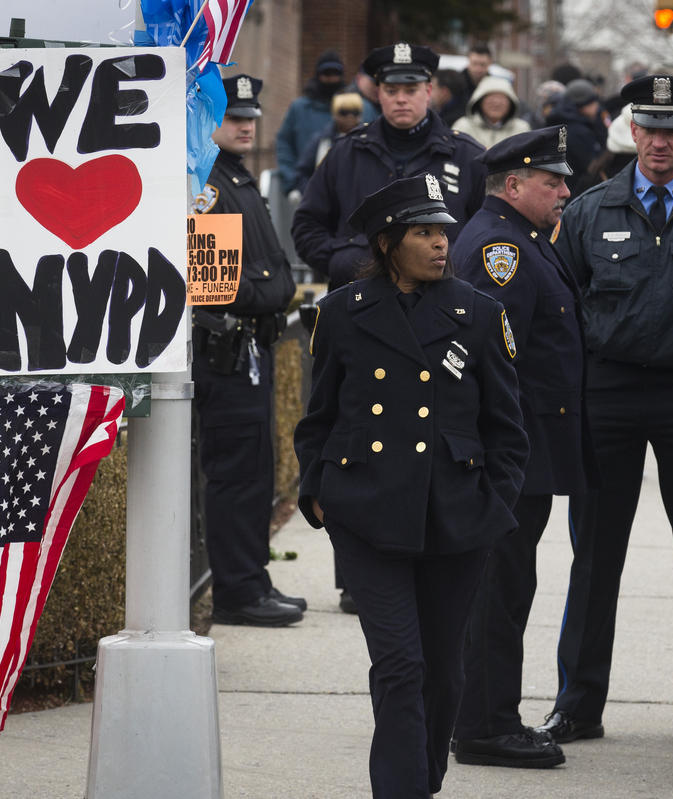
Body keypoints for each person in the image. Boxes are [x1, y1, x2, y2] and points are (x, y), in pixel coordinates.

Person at [293, 174, 529, 797]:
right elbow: (318, 417)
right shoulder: (342, 312)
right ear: (388, 242)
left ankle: (421, 782)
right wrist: (318, 491)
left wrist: (494, 502)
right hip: (368, 515)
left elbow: (507, 429)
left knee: (443, 673)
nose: (440, 245)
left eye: (443, 233)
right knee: (399, 665)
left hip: (456, 517)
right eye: (423, 233)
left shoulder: (478, 313)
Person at [540, 74, 673, 749]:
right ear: (630, 131)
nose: (659, 142)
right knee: (594, 556)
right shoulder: (588, 211)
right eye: (648, 128)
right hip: (606, 395)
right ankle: (577, 703)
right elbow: (560, 309)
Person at [450, 127, 592, 769]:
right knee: (497, 588)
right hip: (507, 452)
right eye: (552, 181)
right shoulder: (499, 247)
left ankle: (487, 714)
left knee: (507, 583)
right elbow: (492, 361)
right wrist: (503, 453)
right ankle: (485, 725)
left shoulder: (526, 238)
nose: (565, 190)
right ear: (514, 186)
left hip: (523, 450)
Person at [192, 75, 303, 627]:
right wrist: (270, 294)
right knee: (237, 476)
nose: (244, 124)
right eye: (232, 115)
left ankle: (251, 579)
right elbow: (212, 282)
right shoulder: (206, 181)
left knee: (254, 473)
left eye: (250, 116)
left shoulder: (236, 177)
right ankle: (238, 591)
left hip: (249, 348)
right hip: (226, 348)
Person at [292, 42, 487, 290]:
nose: (401, 99)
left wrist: (453, 268)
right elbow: (307, 224)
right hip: (358, 300)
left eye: (411, 90)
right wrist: (343, 260)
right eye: (392, 91)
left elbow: (488, 230)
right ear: (378, 94)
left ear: (428, 91)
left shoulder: (466, 156)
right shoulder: (346, 153)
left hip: (442, 302)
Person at [275, 51, 349, 195]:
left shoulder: (352, 110)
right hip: (306, 190)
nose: (331, 79)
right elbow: (284, 144)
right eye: (327, 74)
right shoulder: (300, 108)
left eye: (335, 74)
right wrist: (292, 183)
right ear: (318, 76)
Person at [293, 91, 364, 195]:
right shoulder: (321, 140)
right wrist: (312, 195)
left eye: (355, 112)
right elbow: (302, 173)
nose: (350, 117)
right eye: (344, 112)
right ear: (335, 114)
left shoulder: (369, 139)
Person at [546, 78, 606, 195]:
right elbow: (592, 167)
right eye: (593, 103)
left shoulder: (560, 122)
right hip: (576, 192)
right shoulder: (579, 131)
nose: (597, 107)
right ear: (583, 105)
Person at [451, 75, 532, 149]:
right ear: (480, 100)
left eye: (501, 98)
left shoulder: (521, 129)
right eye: (491, 97)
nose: (496, 103)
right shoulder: (463, 126)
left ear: (511, 102)